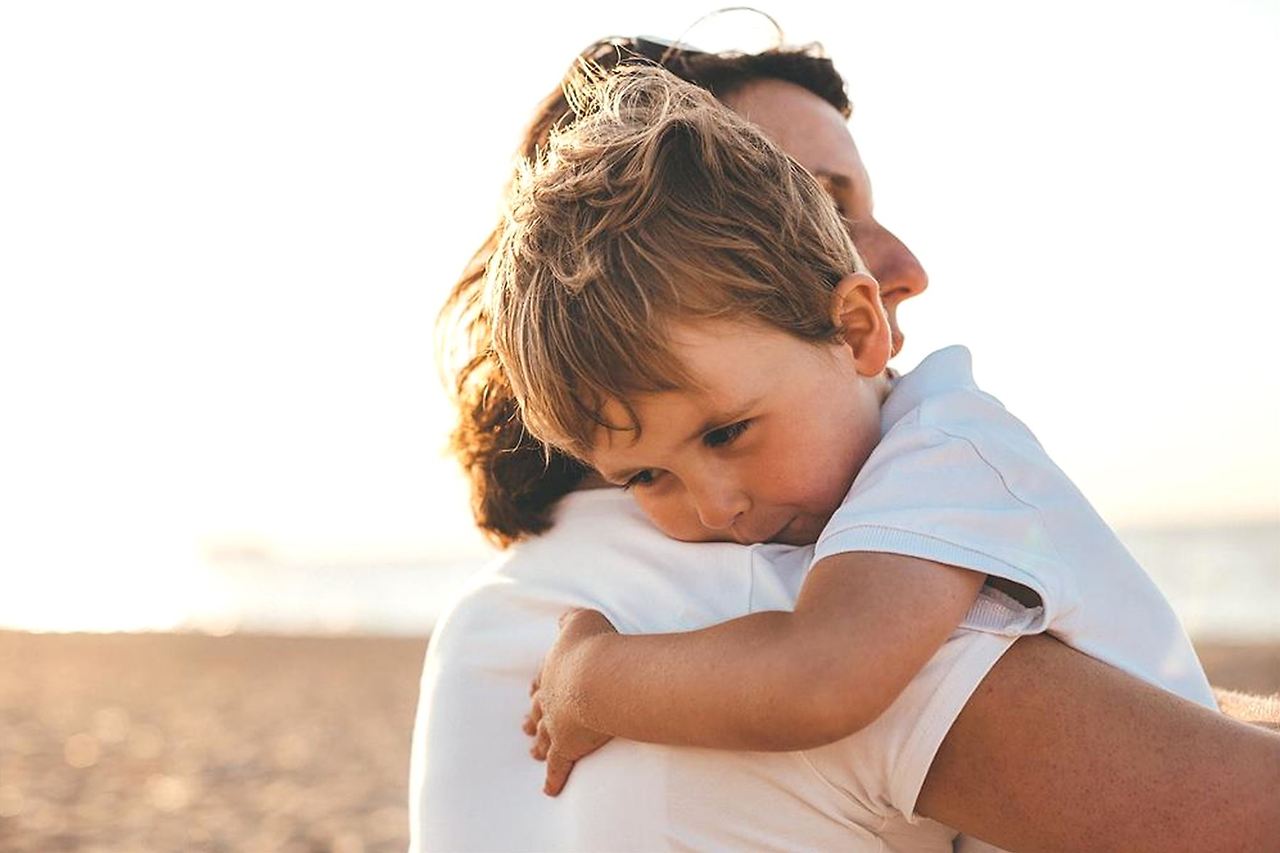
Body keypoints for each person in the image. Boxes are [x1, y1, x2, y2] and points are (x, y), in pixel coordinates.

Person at [411, 37, 1280, 852]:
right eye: (816, 201)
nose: (907, 263)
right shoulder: (768, 590)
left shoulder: (500, 611)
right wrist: (592, 676)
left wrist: (591, 675)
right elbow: (1246, 806)